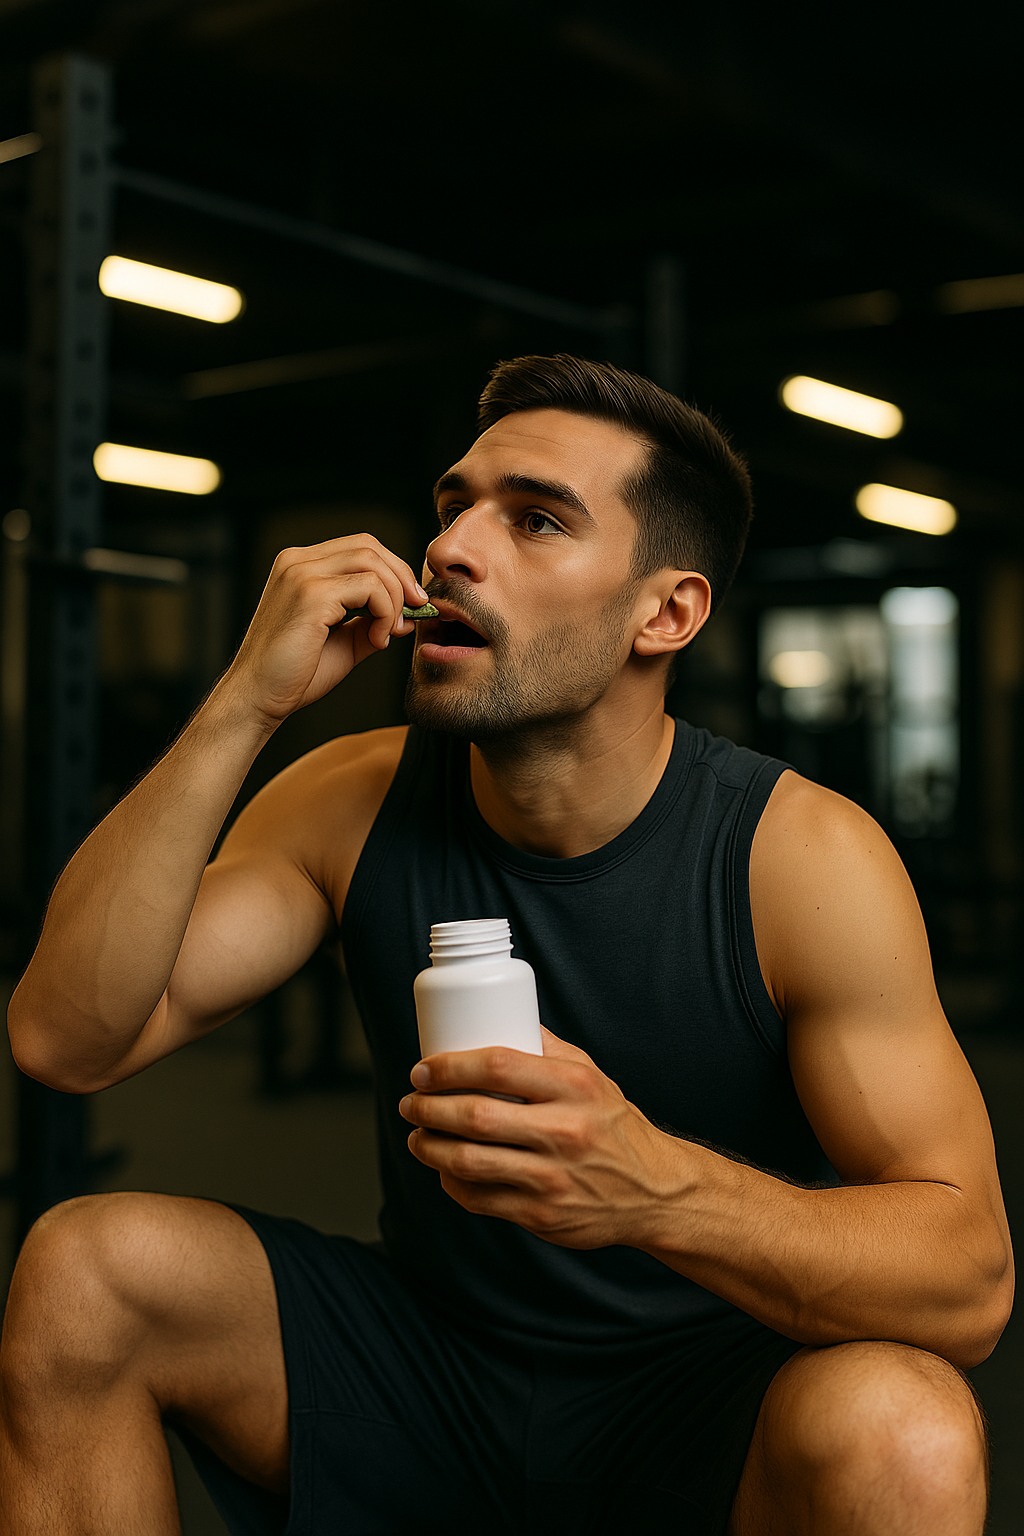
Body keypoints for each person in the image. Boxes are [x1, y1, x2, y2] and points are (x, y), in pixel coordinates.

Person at [1, 355, 1012, 1536]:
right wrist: (247, 703)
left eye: (534, 520)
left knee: (906, 1426)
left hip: (700, 1405)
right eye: (453, 508)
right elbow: (63, 1039)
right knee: (86, 1274)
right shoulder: (351, 797)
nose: (452, 549)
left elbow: (968, 1277)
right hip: (429, 1376)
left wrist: (653, 1190)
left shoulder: (801, 860)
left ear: (666, 613)